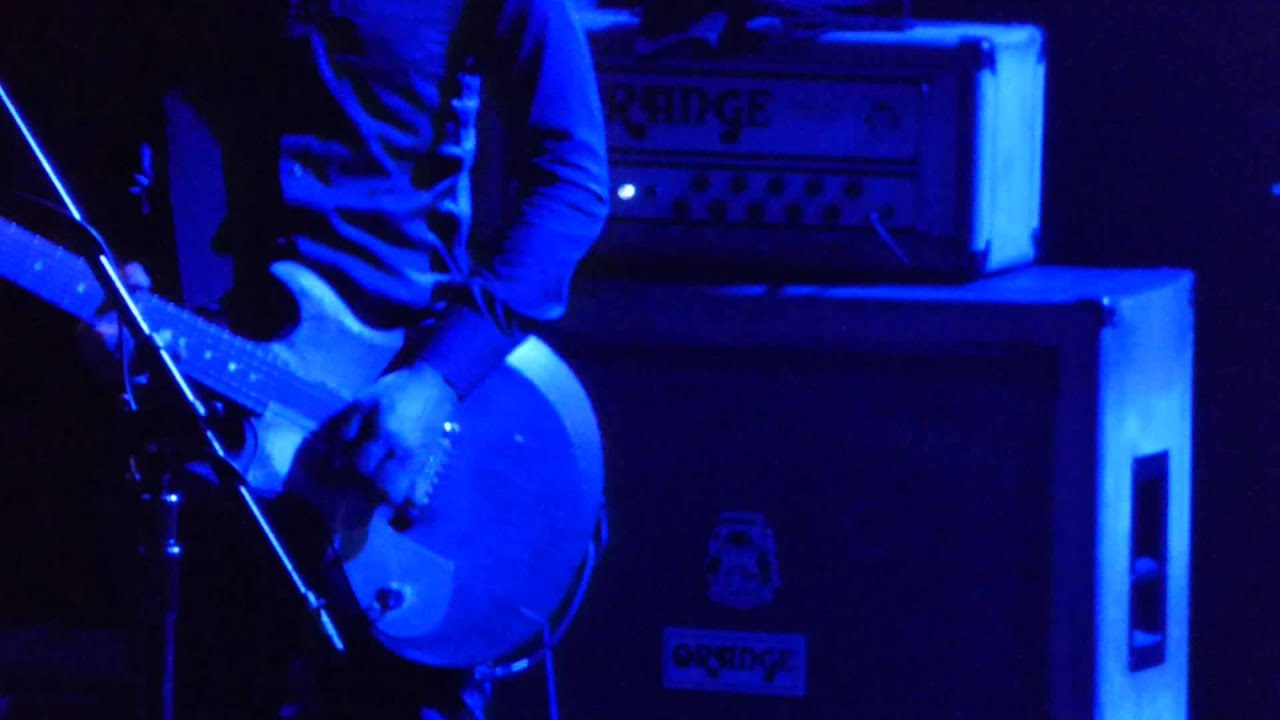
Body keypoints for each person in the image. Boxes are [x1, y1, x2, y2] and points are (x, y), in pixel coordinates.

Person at [86, 0, 610, 717]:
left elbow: (573, 180)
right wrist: (125, 277)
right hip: (237, 406)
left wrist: (438, 378)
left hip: (404, 420)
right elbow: (124, 122)